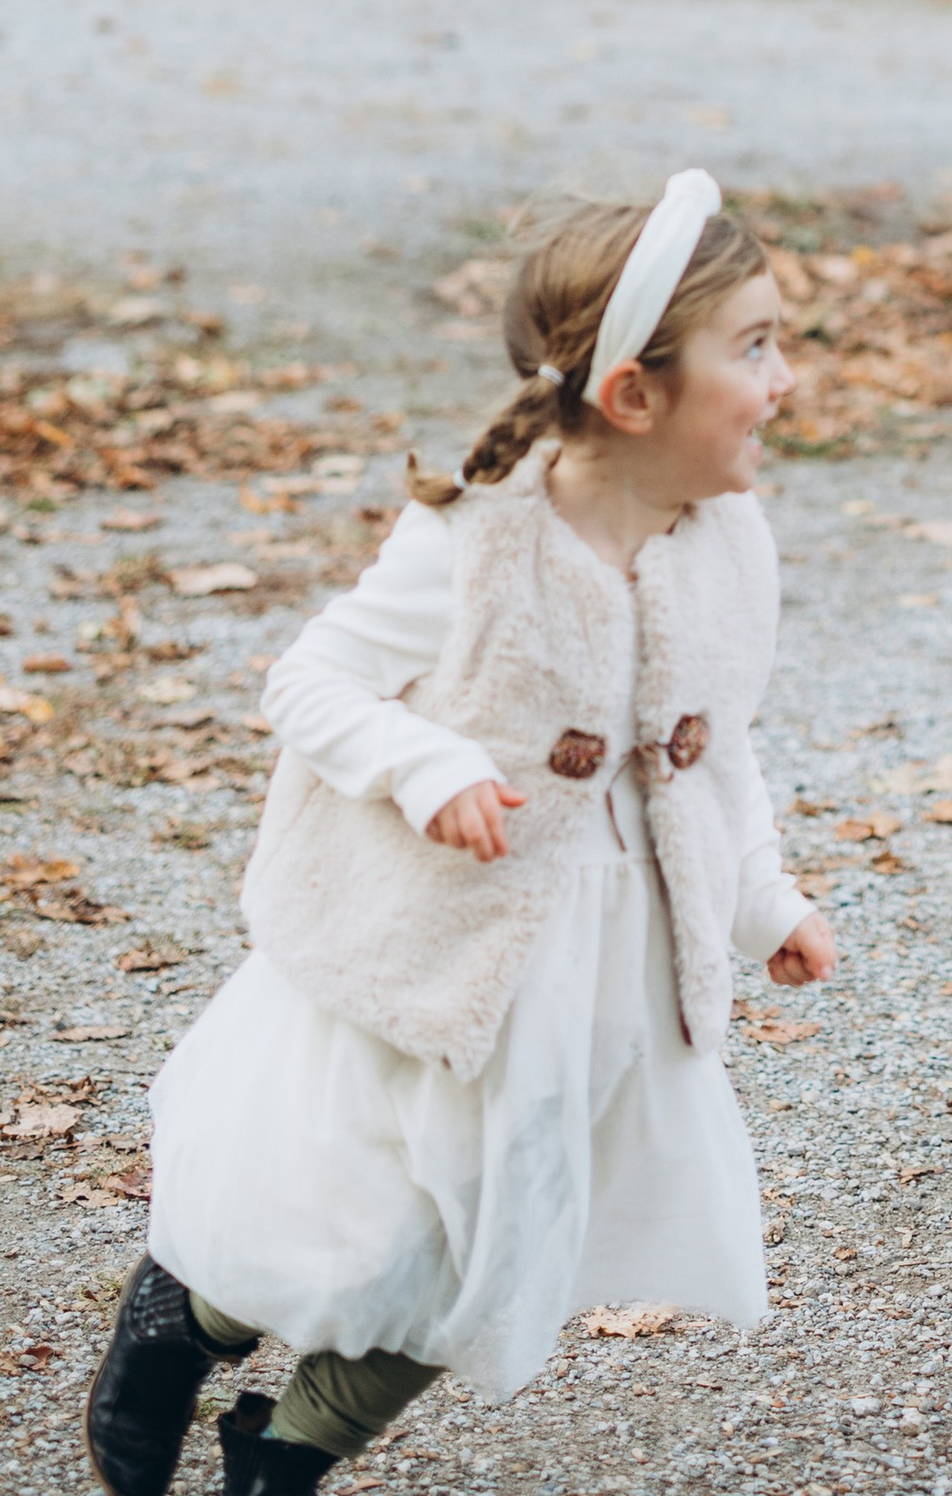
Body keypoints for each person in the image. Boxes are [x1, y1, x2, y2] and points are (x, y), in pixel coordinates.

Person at [84, 174, 834, 1495]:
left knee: (496, 1246)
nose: (788, 379)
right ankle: (185, 1318)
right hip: (442, 952)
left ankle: (289, 1457)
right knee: (350, 1220)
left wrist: (761, 896)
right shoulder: (473, 542)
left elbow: (718, 743)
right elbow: (311, 681)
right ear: (634, 394)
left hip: (602, 977)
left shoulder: (730, 543)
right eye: (756, 346)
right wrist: (425, 764)